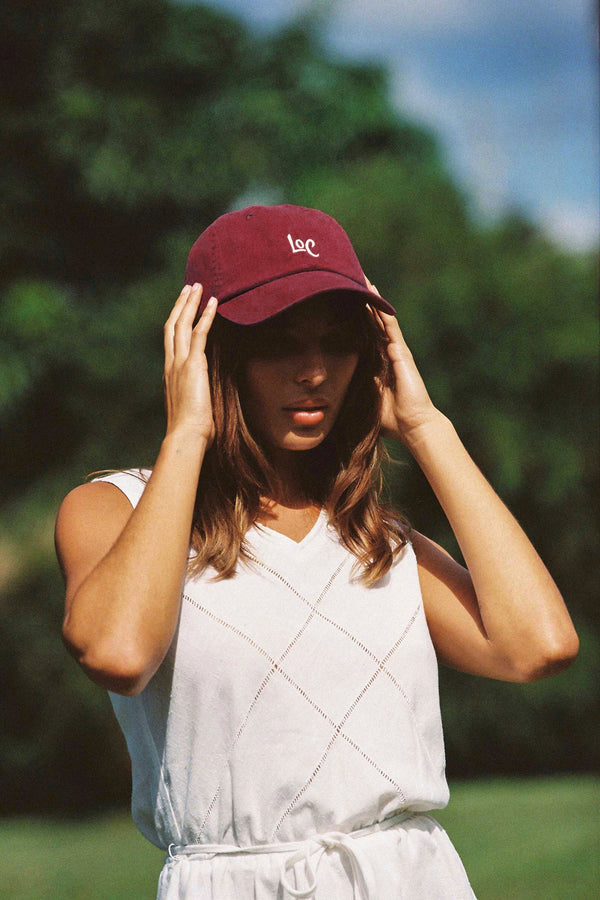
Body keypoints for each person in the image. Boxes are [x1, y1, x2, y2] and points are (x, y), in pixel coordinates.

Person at [55, 204, 578, 899]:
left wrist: (426, 426)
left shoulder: (378, 540)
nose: (314, 371)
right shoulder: (114, 508)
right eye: (278, 342)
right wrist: (186, 433)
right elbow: (119, 654)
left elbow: (538, 646)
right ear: (210, 352)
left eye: (338, 343)